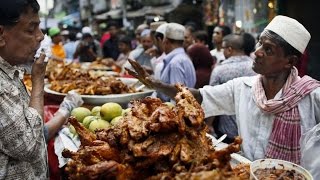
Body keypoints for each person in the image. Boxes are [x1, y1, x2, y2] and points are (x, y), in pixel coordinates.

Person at [126, 15, 320, 178]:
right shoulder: (243, 87)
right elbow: (198, 96)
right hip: (247, 174)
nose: (257, 52)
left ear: (290, 61)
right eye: (259, 43)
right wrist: (156, 84)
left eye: (268, 49)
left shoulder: (311, 97)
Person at [0, 1, 83, 179]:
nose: (40, 37)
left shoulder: (10, 71)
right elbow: (31, 144)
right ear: (1, 35)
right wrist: (38, 80)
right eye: (31, 30)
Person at [209, 33, 256, 143]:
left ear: (229, 50)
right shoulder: (256, 68)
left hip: (227, 132)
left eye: (223, 48)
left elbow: (212, 100)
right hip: (251, 131)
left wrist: (208, 124)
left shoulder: (220, 70)